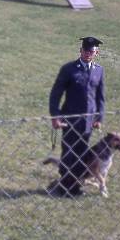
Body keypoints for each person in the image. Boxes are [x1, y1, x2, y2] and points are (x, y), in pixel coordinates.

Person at [49, 36, 106, 197]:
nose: (88, 53)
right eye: (85, 50)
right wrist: (56, 116)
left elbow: (100, 97)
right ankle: (66, 186)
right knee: (68, 152)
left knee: (82, 154)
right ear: (80, 51)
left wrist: (99, 118)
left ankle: (75, 182)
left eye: (92, 51)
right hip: (70, 121)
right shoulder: (68, 69)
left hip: (88, 123)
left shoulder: (99, 70)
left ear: (96, 52)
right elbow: (55, 94)